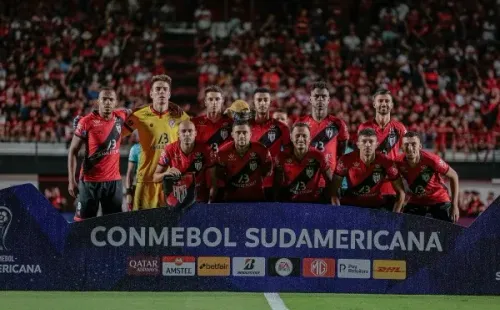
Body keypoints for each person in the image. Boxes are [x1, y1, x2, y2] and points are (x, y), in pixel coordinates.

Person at [123, 74, 190, 210]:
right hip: (145, 181)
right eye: (158, 89)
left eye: (165, 89)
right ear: (151, 93)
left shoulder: (180, 116)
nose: (161, 92)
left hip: (170, 181)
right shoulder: (139, 115)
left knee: (170, 227)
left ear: (169, 94)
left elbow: (193, 140)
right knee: (142, 228)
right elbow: (117, 134)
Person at [68, 87, 129, 219]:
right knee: (83, 224)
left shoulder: (121, 116)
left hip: (114, 182)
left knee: (114, 225)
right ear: (98, 101)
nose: (107, 102)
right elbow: (73, 151)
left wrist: (168, 105)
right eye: (104, 99)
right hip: (90, 182)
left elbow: (141, 111)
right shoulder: (86, 122)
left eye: (111, 99)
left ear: (116, 102)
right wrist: (71, 180)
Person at [332, 128, 406, 212]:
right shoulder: (345, 160)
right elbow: (333, 190)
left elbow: (401, 192)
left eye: (371, 141)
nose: (367, 144)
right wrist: (337, 213)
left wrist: (395, 216)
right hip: (351, 206)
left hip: (377, 207)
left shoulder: (386, 162)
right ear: (358, 144)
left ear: (377, 144)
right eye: (364, 141)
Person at [298, 81, 349, 200]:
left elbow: (342, 154)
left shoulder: (338, 124)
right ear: (310, 99)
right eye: (316, 96)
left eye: (323, 96)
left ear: (328, 100)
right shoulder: (300, 123)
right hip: (306, 179)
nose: (320, 99)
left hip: (329, 180)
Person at [396, 131, 460, 222]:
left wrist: (455, 205)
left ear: (420, 147)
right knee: (404, 227)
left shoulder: (432, 160)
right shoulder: (398, 162)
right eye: (406, 144)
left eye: (414, 144)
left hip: (439, 199)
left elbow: (454, 175)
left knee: (449, 231)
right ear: (402, 147)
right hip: (416, 200)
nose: (410, 148)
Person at [358, 89, 407, 207]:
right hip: (369, 187)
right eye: (380, 101)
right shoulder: (364, 127)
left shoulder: (399, 128)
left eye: (387, 101)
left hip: (391, 188)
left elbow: (407, 154)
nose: (384, 104)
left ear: (392, 105)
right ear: (374, 104)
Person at [209, 121, 272, 202]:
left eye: (245, 132)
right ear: (232, 135)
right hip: (231, 201)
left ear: (250, 134)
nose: (241, 136)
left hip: (257, 200)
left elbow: (266, 172)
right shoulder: (222, 152)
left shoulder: (262, 150)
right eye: (238, 132)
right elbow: (219, 178)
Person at [153, 120, 213, 203]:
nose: (187, 134)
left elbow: (213, 180)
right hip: (178, 200)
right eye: (183, 131)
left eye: (190, 131)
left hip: (199, 199)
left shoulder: (206, 150)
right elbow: (155, 178)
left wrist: (210, 201)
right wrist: (166, 173)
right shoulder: (169, 150)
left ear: (195, 133)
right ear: (178, 134)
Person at [274, 122, 333, 203]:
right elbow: (278, 185)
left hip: (313, 204)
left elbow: (330, 181)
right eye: (297, 135)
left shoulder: (319, 156)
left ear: (310, 138)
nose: (301, 139)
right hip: (290, 203)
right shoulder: (281, 157)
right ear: (291, 137)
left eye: (304, 136)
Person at [250, 87, 290, 199]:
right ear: (254, 102)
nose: (262, 103)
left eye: (265, 100)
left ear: (270, 102)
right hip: (248, 182)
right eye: (259, 100)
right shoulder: (245, 127)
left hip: (273, 184)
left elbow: (288, 154)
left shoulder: (282, 128)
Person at [192, 85, 233, 154]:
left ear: (222, 101)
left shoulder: (231, 123)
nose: (214, 103)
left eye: (217, 99)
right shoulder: (195, 122)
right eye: (210, 99)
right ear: (205, 102)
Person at [125, 132, 141, 211]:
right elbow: (129, 173)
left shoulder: (158, 147)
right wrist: (128, 193)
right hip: (140, 186)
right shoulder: (135, 149)